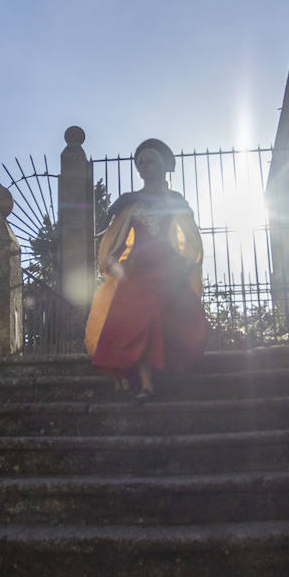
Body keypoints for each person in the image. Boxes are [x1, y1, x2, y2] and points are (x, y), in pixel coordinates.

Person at [85, 138, 207, 400]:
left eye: (149, 161)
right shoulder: (131, 204)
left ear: (163, 165)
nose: (143, 166)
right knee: (135, 320)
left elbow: (191, 241)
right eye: (140, 163)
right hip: (138, 273)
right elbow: (113, 248)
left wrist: (186, 266)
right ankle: (146, 385)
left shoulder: (176, 202)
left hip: (170, 271)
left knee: (176, 315)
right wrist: (120, 272)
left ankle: (171, 376)